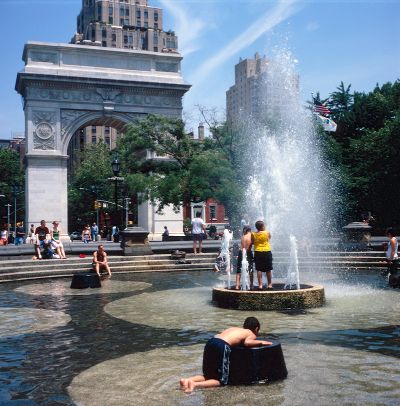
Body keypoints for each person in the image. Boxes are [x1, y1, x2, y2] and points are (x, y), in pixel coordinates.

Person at [179, 317, 272, 393]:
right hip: (222, 345)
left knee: (209, 375)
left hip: (211, 342)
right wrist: (262, 342)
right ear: (256, 329)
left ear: (244, 326)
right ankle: (194, 384)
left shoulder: (234, 329)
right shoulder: (251, 333)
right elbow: (248, 343)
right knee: (221, 381)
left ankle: (186, 380)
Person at [251, 220, 273, 290]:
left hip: (258, 252)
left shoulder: (253, 234)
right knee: (268, 269)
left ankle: (260, 285)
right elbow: (269, 239)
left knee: (259, 269)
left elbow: (253, 242)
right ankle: (269, 284)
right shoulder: (267, 233)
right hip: (267, 251)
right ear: (263, 226)